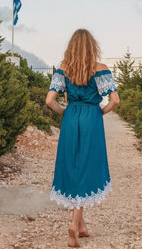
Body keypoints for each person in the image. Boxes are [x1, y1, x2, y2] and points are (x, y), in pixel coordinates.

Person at [45, 28, 120, 247]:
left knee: (74, 166)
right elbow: (114, 100)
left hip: (71, 118)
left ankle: (81, 225)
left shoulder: (63, 69)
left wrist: (65, 113)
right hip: (91, 118)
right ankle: (73, 225)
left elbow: (50, 100)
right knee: (87, 168)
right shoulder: (101, 69)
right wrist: (100, 113)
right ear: (92, 46)